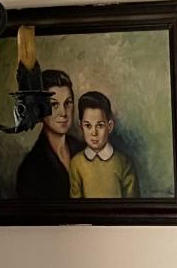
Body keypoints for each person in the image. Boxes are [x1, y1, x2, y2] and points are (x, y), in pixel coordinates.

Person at [15, 69, 81, 202]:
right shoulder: (31, 167)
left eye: (68, 102)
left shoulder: (83, 149)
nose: (63, 113)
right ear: (39, 109)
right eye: (54, 104)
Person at [68, 91, 139, 199]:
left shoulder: (124, 163)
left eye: (100, 125)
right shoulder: (76, 163)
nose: (94, 133)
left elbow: (132, 203)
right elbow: (75, 203)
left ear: (109, 126)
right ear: (81, 126)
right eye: (88, 126)